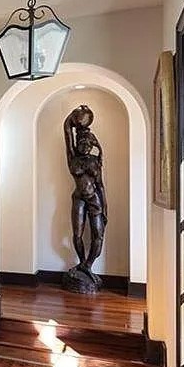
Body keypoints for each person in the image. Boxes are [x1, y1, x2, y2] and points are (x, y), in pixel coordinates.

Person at [64, 105, 107, 285]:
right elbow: (66, 132)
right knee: (77, 234)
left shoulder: (94, 163)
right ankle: (82, 263)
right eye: (81, 143)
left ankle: (88, 266)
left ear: (92, 146)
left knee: (98, 236)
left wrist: (105, 208)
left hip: (94, 200)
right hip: (78, 199)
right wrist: (71, 119)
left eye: (88, 144)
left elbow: (101, 186)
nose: (85, 146)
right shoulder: (72, 158)